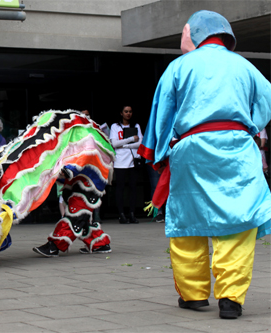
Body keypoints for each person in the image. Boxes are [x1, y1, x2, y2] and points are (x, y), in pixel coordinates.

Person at [138, 10, 271, 319]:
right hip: (238, 148)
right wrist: (251, 126)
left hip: (192, 148)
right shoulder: (245, 65)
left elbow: (163, 110)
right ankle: (231, 299)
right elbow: (267, 99)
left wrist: (157, 152)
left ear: (192, 34)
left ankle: (194, 295)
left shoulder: (179, 66)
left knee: (187, 222)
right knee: (237, 223)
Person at [109, 106, 142, 224]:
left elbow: (140, 143)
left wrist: (124, 145)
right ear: (121, 113)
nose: (128, 114)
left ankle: (132, 213)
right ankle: (121, 214)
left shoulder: (136, 126)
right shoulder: (115, 126)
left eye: (130, 112)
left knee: (133, 188)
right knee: (120, 188)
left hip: (133, 161)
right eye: (126, 112)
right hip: (120, 161)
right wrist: (131, 139)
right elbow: (114, 143)